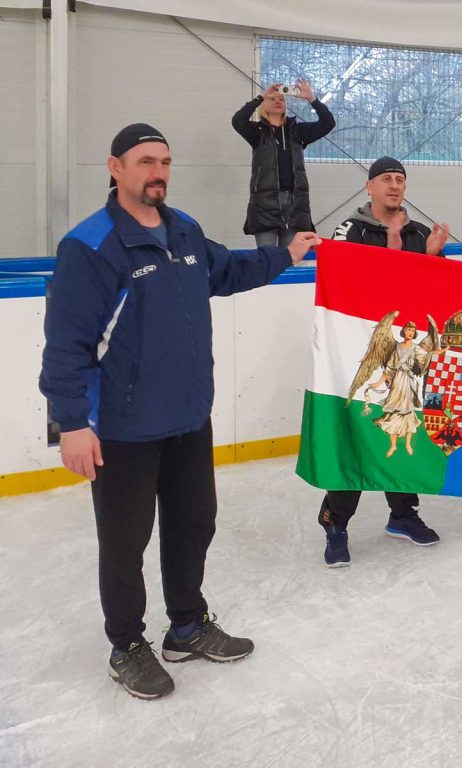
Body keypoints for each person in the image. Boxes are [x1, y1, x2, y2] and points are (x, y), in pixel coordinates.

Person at [39, 123, 320, 700]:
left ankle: (186, 626)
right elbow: (67, 345)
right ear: (115, 167)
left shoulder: (184, 231)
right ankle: (126, 645)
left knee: (194, 525)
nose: (157, 171)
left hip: (189, 417)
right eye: (145, 161)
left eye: (164, 161)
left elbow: (229, 272)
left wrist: (284, 255)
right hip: (123, 429)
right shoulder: (91, 247)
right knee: (125, 542)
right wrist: (71, 423)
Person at [318, 157, 450, 566]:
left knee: (403, 430)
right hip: (360, 353)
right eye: (386, 179)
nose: (394, 186)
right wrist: (392, 258)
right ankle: (335, 523)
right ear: (369, 187)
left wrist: (429, 258)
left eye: (400, 179)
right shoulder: (350, 230)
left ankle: (402, 514)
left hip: (406, 359)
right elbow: (345, 282)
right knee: (358, 435)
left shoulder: (418, 232)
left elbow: (431, 293)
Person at [232, 80, 336, 247]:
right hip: (266, 203)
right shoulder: (257, 132)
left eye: (282, 98)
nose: (278, 101)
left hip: (295, 204)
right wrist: (260, 96)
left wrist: (312, 99)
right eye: (272, 98)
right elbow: (238, 120)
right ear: (264, 104)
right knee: (268, 259)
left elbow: (328, 123)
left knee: (290, 259)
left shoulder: (297, 131)